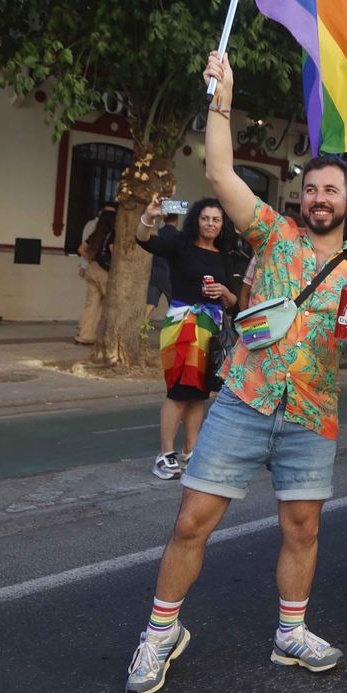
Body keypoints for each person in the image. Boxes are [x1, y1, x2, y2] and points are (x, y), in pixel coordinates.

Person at [123, 53, 347, 693]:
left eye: (330, 191)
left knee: (303, 527)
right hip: (244, 400)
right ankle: (161, 633)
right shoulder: (274, 234)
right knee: (194, 519)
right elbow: (218, 170)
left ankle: (290, 633)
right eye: (311, 189)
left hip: (311, 412)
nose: (318, 198)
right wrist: (223, 97)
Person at [136, 197, 239, 481]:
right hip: (182, 325)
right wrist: (149, 217)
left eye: (216, 220)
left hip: (211, 329)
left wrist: (223, 292)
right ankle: (165, 455)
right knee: (179, 391)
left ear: (222, 225)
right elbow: (144, 240)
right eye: (206, 218)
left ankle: (191, 452)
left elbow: (233, 300)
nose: (210, 224)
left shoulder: (223, 254)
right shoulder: (180, 245)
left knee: (199, 394)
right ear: (196, 219)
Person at [75, 200, 116, 345]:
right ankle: (112, 338)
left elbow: (81, 249)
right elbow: (114, 253)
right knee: (113, 305)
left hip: (92, 269)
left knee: (91, 304)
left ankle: (85, 335)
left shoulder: (96, 233)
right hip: (105, 272)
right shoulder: (113, 234)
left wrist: (92, 259)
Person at [144, 213, 177, 322]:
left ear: (164, 219)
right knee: (175, 304)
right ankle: (175, 328)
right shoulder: (179, 236)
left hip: (156, 273)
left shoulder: (157, 233)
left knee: (151, 303)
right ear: (176, 220)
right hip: (171, 275)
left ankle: (142, 324)